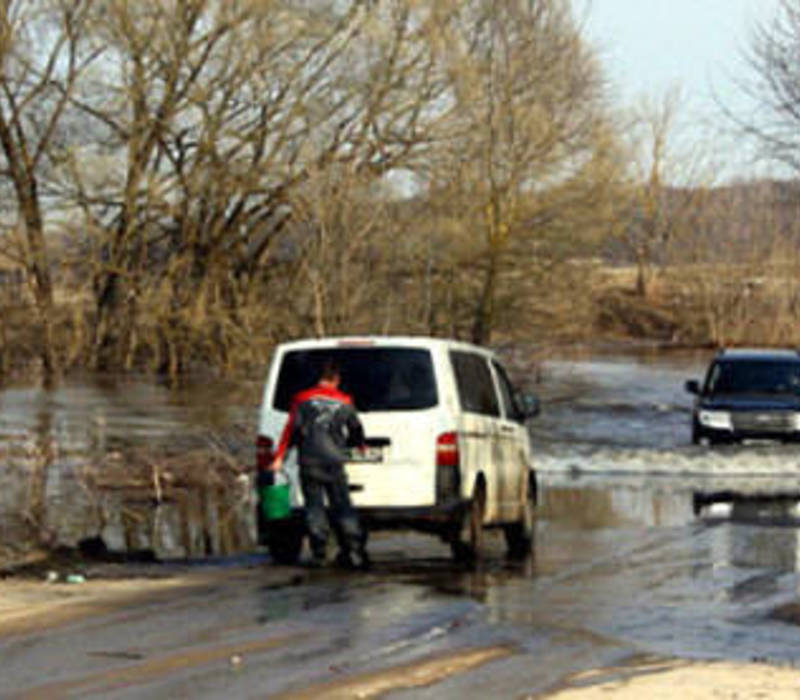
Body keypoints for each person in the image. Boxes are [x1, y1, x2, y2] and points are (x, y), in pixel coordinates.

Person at [270, 360, 369, 569]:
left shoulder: (303, 399)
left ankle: (321, 552)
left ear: (320, 378)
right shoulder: (345, 401)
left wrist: (280, 458)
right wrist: (359, 446)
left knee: (314, 507)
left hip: (309, 461)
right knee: (343, 506)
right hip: (334, 461)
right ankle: (354, 549)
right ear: (337, 380)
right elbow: (356, 429)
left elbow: (291, 430)